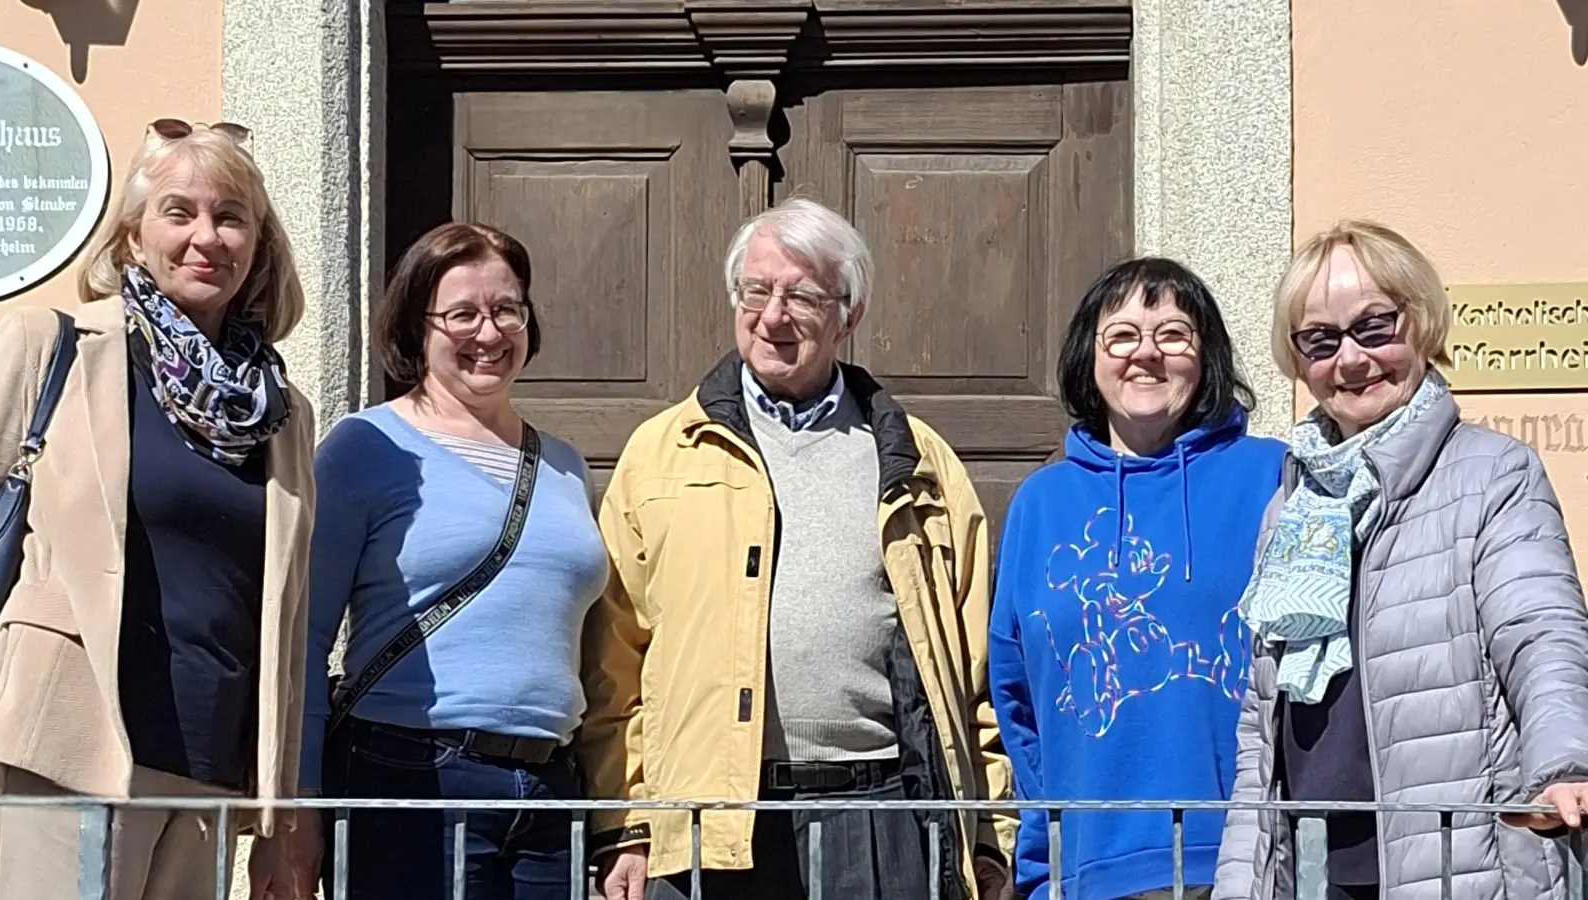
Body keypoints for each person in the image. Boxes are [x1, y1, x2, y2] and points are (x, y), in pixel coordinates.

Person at [581, 197, 1015, 900]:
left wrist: (988, 829)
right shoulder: (660, 455)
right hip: (708, 823)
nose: (773, 316)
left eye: (803, 296)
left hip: (880, 818)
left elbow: (973, 672)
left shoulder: (919, 462)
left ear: (850, 314)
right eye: (756, 290)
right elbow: (614, 663)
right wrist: (624, 823)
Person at [1212, 221, 1588, 900]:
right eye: (1320, 339)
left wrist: (1563, 762)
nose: (1351, 359)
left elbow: (1540, 634)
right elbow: (1262, 718)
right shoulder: (1293, 503)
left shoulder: (1491, 474)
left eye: (1374, 327)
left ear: (1421, 322)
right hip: (1310, 868)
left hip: (1451, 861)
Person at [0, 118, 313, 900]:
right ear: (133, 238)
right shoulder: (54, 346)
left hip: (208, 768)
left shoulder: (282, 413)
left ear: (257, 247)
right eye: (179, 212)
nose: (207, 236)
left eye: (231, 218)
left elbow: (288, 617)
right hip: (61, 746)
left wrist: (280, 812)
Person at [287, 222, 608, 900]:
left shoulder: (565, 466)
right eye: (462, 314)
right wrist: (300, 806)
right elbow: (304, 640)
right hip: (410, 777)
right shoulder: (365, 448)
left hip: (550, 790)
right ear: (417, 327)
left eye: (507, 309)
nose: (489, 333)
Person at [987, 258, 1285, 900]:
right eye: (1121, 335)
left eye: (1173, 334)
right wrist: (1041, 856)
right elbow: (1016, 700)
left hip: (1241, 864)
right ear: (1089, 357)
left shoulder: (1273, 478)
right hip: (1087, 868)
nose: (1146, 353)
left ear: (1206, 355)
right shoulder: (1039, 503)